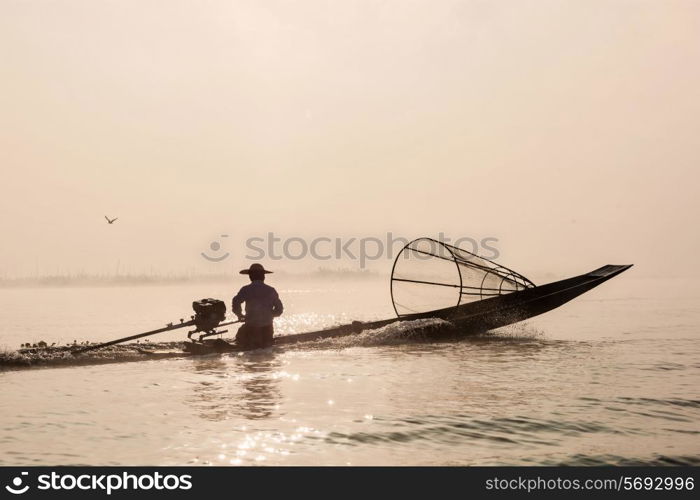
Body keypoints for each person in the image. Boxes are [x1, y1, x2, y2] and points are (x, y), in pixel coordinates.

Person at [231, 263, 283, 349]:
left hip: (251, 328)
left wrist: (239, 315)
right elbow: (279, 310)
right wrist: (269, 315)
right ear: (263, 276)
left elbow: (236, 301)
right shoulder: (271, 290)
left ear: (250, 276)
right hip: (267, 329)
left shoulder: (246, 289)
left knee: (240, 336)